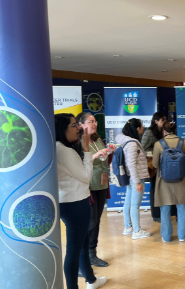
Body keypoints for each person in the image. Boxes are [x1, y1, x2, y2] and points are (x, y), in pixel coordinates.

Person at [56, 114, 110, 289]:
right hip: (75, 203)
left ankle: (90, 279)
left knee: (82, 243)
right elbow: (86, 177)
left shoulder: (61, 148)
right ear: (62, 129)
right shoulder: (64, 151)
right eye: (73, 125)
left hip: (72, 201)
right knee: (74, 249)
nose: (78, 128)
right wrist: (87, 149)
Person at [78, 112, 112, 269]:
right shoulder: (79, 142)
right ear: (81, 124)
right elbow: (79, 162)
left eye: (95, 121)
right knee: (90, 222)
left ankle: (93, 253)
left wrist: (108, 151)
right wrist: (97, 155)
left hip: (102, 184)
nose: (95, 124)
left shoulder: (98, 139)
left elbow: (104, 159)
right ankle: (85, 255)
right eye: (91, 121)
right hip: (89, 187)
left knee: (97, 221)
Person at [151, 121, 185, 242]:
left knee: (165, 209)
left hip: (164, 181)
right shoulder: (183, 143)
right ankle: (182, 236)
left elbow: (155, 164)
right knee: (182, 209)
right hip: (181, 180)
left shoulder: (158, 144)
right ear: (175, 131)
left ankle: (167, 237)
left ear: (164, 131)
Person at [118, 118, 151, 239]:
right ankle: (137, 231)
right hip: (136, 177)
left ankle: (128, 228)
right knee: (135, 205)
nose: (144, 129)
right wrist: (137, 182)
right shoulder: (132, 143)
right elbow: (132, 164)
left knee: (128, 203)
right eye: (142, 126)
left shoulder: (127, 141)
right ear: (137, 129)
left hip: (132, 177)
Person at [144, 111, 167, 224]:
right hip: (153, 165)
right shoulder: (149, 133)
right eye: (162, 120)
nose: (164, 122)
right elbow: (143, 149)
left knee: (160, 189)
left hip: (161, 164)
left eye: (165, 120)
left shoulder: (161, 132)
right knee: (154, 189)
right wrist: (156, 152)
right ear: (156, 121)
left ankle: (161, 213)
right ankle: (155, 214)